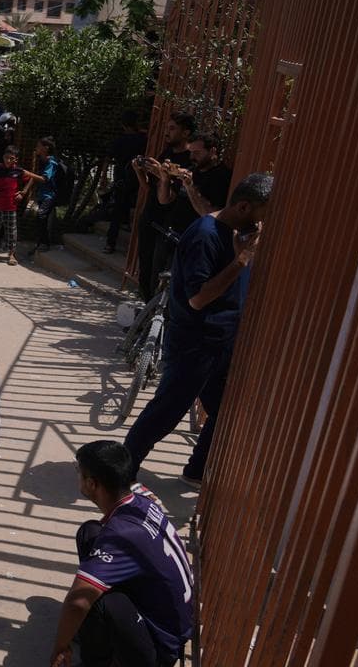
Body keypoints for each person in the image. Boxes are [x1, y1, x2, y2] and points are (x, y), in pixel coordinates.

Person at [123, 173, 272, 486]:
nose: (265, 225)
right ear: (244, 206)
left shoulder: (238, 232)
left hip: (222, 342)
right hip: (196, 341)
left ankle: (196, 471)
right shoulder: (207, 235)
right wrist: (241, 260)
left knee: (224, 411)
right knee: (167, 409)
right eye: (264, 215)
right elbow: (198, 299)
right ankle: (120, 471)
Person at [50, 440, 193, 667]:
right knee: (90, 533)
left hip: (160, 649)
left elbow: (77, 602)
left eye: (79, 472)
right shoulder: (142, 501)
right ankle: (98, 634)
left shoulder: (120, 536)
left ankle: (97, 662)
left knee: (93, 600)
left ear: (91, 483)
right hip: (172, 617)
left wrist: (60, 646)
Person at [134, 112, 195, 300]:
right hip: (149, 217)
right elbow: (148, 187)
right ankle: (144, 312)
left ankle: (155, 317)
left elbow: (166, 198)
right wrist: (140, 171)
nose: (167, 132)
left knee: (157, 273)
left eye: (172, 128)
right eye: (167, 127)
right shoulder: (167, 153)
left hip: (167, 223)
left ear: (186, 133)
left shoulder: (188, 161)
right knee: (144, 268)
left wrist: (163, 175)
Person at [161, 132, 232, 237]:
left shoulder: (221, 177)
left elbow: (209, 214)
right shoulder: (192, 170)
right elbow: (164, 200)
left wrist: (190, 187)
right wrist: (165, 179)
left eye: (197, 153)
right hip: (171, 234)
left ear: (212, 151)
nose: (192, 157)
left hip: (193, 238)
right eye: (191, 152)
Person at [0, 146, 43, 265]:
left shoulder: (19, 171)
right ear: (3, 157)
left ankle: (11, 255)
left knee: (11, 232)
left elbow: (32, 178)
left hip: (11, 207)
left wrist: (23, 192)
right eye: (6, 157)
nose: (8, 161)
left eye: (11, 158)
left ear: (16, 159)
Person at [103, 111, 149, 254]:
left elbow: (108, 158)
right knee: (137, 207)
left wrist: (103, 176)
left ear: (123, 125)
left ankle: (110, 243)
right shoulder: (143, 139)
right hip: (139, 178)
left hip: (122, 179)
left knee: (118, 210)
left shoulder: (119, 141)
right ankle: (135, 245)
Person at [27, 136, 60, 254]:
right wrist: (25, 191)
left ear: (46, 148)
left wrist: (27, 173)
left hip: (49, 195)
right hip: (42, 194)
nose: (36, 148)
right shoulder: (41, 160)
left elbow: (44, 179)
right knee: (40, 219)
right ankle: (41, 243)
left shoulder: (51, 162)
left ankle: (45, 243)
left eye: (39, 146)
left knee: (41, 216)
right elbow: (34, 177)